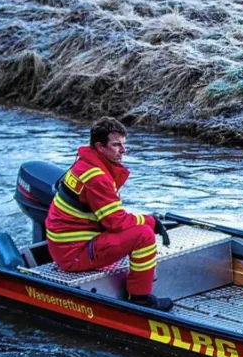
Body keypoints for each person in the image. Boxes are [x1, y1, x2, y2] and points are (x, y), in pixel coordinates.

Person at [44, 117, 173, 311]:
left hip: (67, 244)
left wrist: (145, 221)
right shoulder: (97, 178)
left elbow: (109, 216)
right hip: (74, 253)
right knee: (144, 235)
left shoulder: (85, 163)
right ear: (100, 147)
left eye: (123, 144)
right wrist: (150, 221)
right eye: (116, 145)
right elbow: (115, 221)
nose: (123, 150)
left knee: (141, 227)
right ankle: (140, 298)